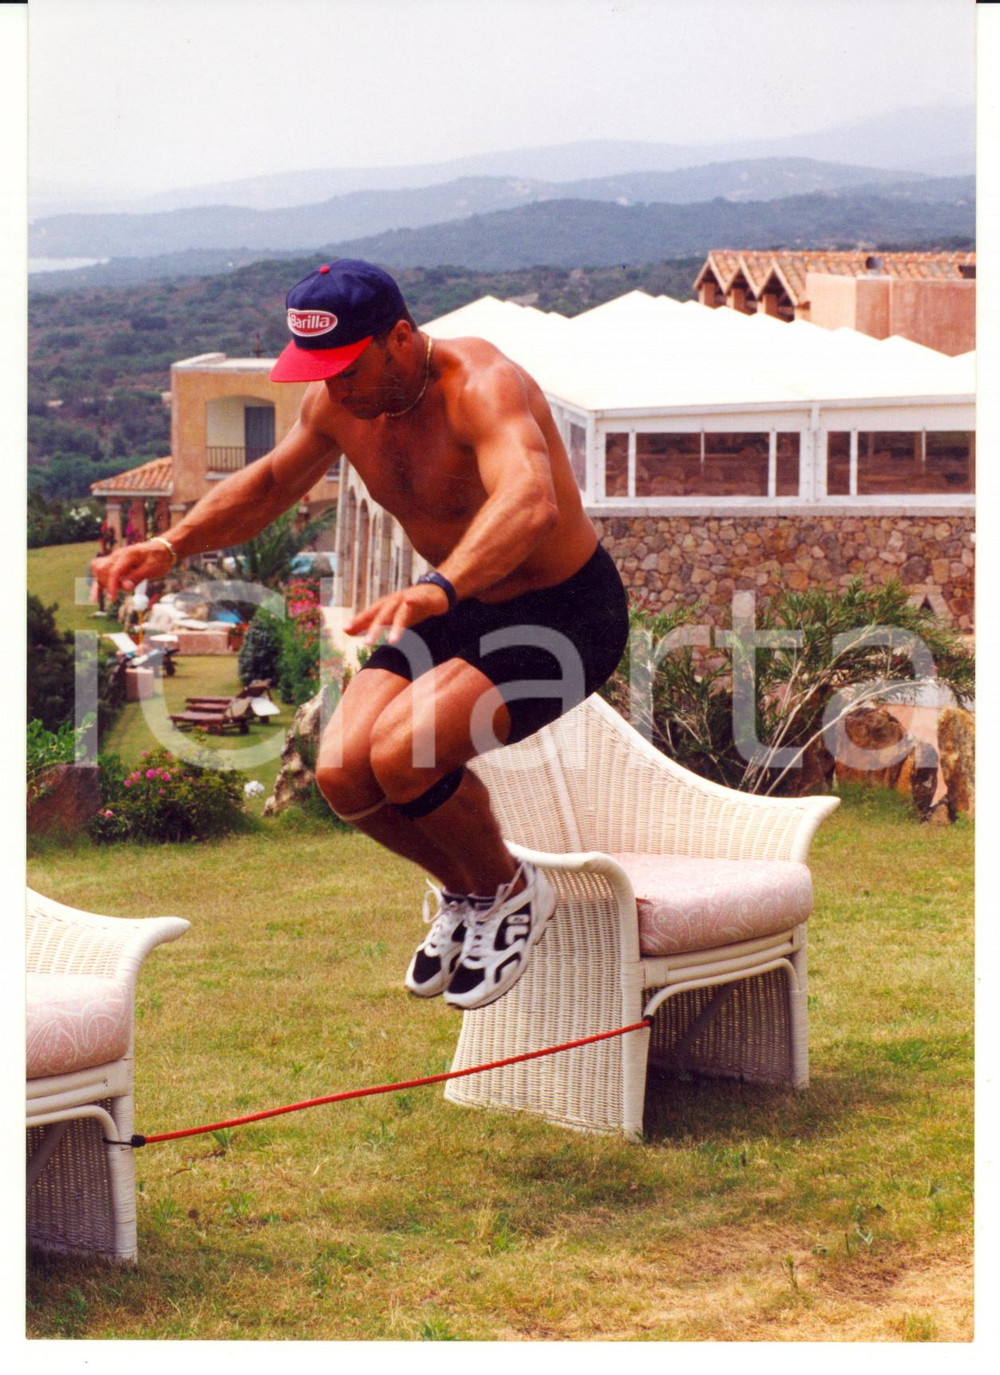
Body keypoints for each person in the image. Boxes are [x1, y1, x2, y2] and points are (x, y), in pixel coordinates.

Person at [92, 259, 629, 1011]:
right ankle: (468, 894)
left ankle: (510, 891)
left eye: (346, 367)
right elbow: (272, 483)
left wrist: (438, 585)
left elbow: (531, 500)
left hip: (565, 610)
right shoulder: (340, 404)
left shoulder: (481, 384)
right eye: (321, 371)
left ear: (400, 339)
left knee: (405, 751)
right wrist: (174, 544)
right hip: (452, 604)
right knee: (344, 772)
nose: (335, 388)